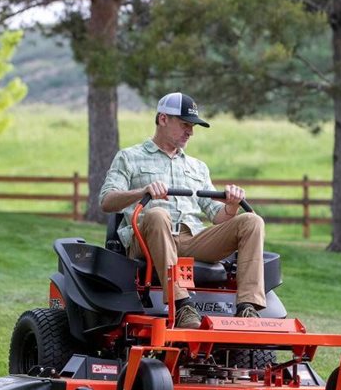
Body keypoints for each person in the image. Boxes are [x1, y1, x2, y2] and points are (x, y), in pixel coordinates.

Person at [99, 92, 266, 328]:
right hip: (146, 239)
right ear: (163, 119)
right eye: (185, 124)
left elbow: (217, 216)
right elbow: (106, 201)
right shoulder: (129, 157)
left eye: (193, 126)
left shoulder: (197, 167)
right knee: (157, 214)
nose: (191, 131)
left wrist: (230, 206)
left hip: (191, 238)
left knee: (252, 220)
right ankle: (182, 306)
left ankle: (247, 308)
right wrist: (142, 192)